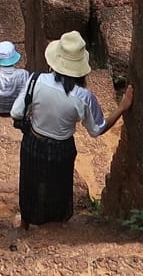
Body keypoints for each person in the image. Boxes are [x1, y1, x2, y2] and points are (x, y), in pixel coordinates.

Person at [8, 32, 132, 228]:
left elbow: (16, 112)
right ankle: (56, 225)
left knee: (30, 181)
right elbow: (96, 130)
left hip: (33, 141)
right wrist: (122, 107)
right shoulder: (84, 97)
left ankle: (25, 223)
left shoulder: (35, 80)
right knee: (59, 186)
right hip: (62, 148)